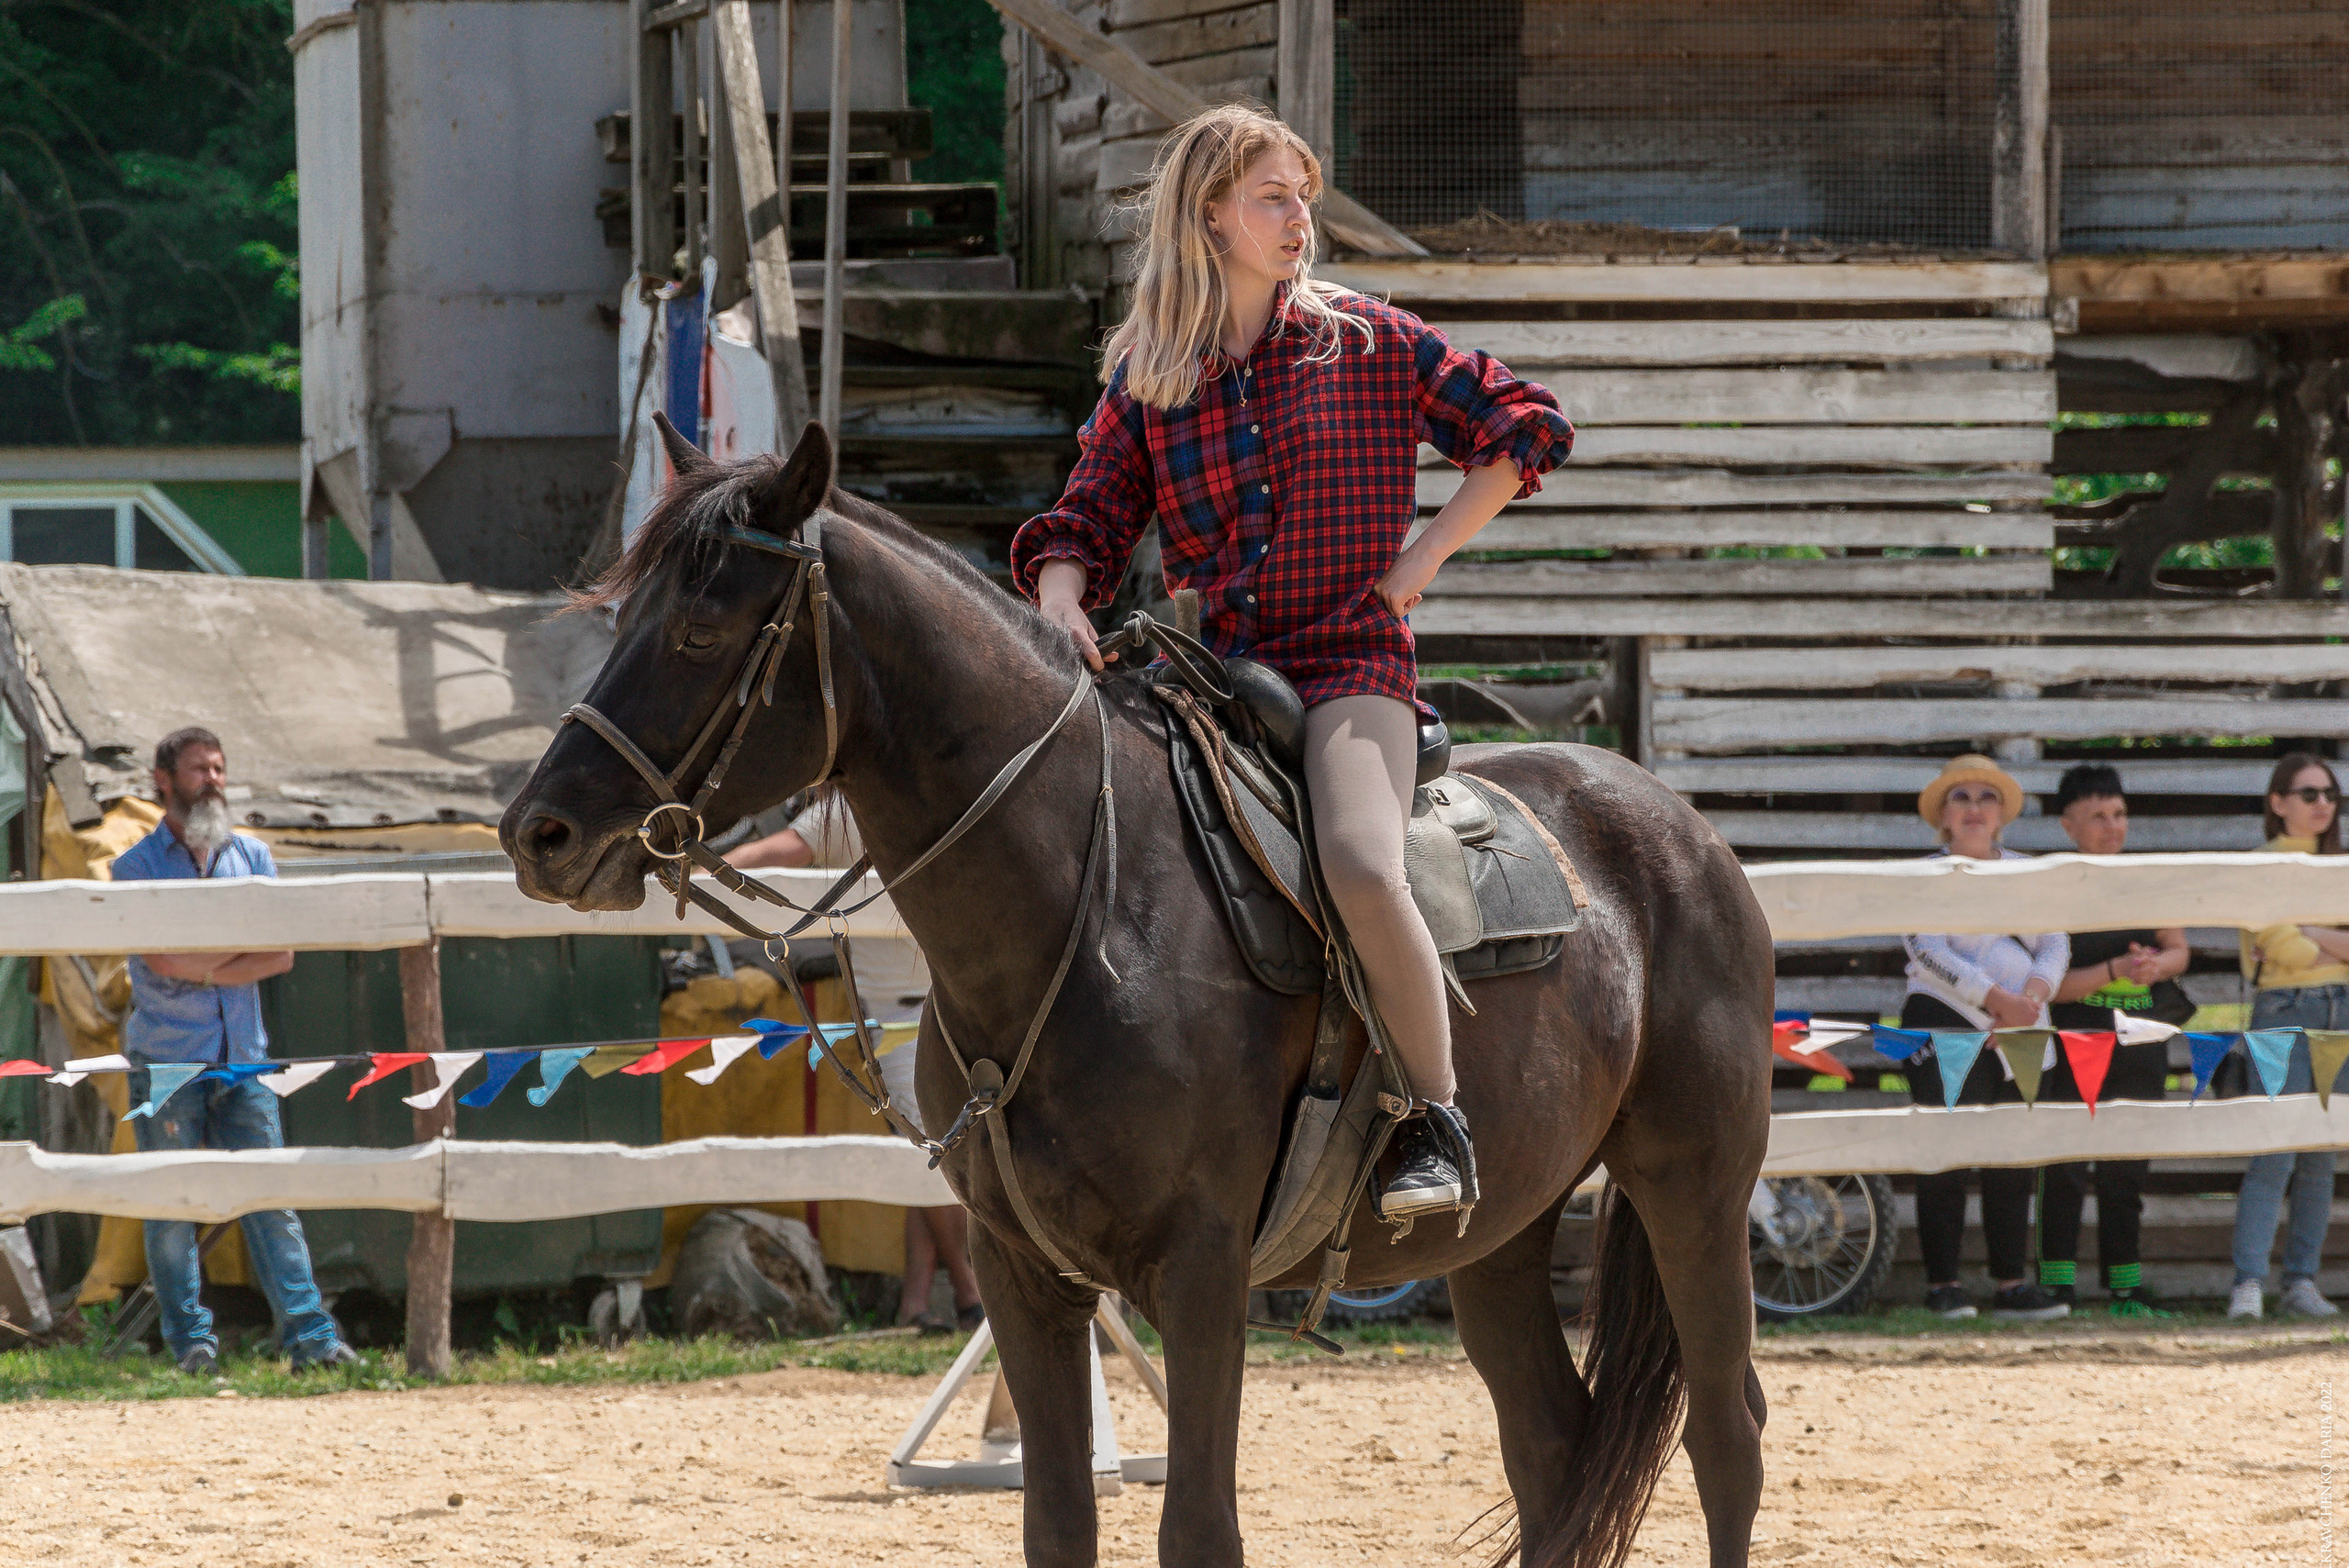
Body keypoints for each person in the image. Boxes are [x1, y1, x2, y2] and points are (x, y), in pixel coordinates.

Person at [1009, 105, 1572, 1222]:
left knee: (1363, 864)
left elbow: (1525, 425)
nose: (1298, 217)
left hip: (1349, 669)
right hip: (1209, 677)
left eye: (1303, 195)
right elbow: (1087, 517)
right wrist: (1061, 594)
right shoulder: (1149, 374)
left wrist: (1417, 563)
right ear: (1211, 213)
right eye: (1274, 195)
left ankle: (1433, 1114)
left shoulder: (1370, 339)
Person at [110, 727, 358, 1374]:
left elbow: (281, 951)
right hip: (168, 1060)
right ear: (163, 780)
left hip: (244, 1055)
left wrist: (199, 963)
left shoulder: (251, 854)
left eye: (220, 768)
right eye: (199, 769)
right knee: (171, 1209)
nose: (214, 779)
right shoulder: (134, 867)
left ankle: (313, 1340)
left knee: (270, 1198)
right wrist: (231, 954)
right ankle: (192, 1346)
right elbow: (157, 956)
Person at [724, 791, 985, 1332]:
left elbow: (777, 851)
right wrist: (690, 875)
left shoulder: (848, 805)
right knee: (930, 1153)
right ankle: (970, 1295)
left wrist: (693, 874)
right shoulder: (851, 807)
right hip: (908, 1018)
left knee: (927, 1155)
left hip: (939, 1009)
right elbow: (778, 852)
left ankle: (917, 1301)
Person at [1898, 754, 2072, 1321]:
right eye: (1961, 798)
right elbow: (1928, 950)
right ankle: (1944, 1284)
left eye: (1986, 797)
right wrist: (1996, 1002)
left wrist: (2032, 1001)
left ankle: (2011, 1284)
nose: (1975, 808)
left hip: (2027, 1019)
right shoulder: (1923, 875)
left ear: (2002, 815)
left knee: (2013, 1155)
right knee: (1947, 1153)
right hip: (1944, 1014)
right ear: (1943, 818)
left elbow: (2055, 942)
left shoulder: (2028, 873)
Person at [2038, 763, 2194, 1317]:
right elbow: (2051, 986)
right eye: (2098, 816)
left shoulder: (2145, 880)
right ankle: (2056, 1285)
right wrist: (2114, 969)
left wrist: (2155, 966)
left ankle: (2124, 1287)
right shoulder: (2054, 888)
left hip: (2139, 1040)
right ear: (2066, 825)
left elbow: (2180, 950)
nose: (2113, 826)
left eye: (2120, 814)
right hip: (2071, 1041)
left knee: (2127, 1167)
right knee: (2064, 1165)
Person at [2229, 751, 2345, 1320]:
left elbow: (2298, 941)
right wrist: (2329, 939)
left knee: (2322, 1156)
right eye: (2309, 794)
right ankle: (2248, 1283)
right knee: (2274, 1151)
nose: (2323, 804)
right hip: (2282, 1010)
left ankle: (2300, 1282)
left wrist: (2308, 929)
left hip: (2342, 1014)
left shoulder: (2342, 864)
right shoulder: (2260, 865)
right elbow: (2287, 950)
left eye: (2329, 794)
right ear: (2278, 804)